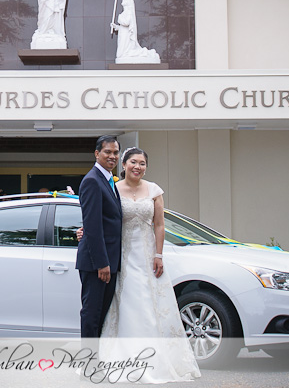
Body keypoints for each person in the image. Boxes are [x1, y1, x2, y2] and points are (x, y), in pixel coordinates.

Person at [81, 148, 201, 383]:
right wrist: (84, 232)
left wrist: (159, 254)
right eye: (133, 162)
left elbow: (159, 225)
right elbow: (101, 219)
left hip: (146, 256)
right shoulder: (113, 188)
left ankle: (155, 360)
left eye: (143, 163)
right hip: (121, 257)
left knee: (150, 305)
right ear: (123, 165)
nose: (138, 166)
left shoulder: (154, 190)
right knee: (125, 304)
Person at [76, 135, 123, 340]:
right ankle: (89, 367)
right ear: (97, 154)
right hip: (98, 265)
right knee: (92, 315)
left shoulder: (109, 181)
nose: (112, 156)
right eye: (107, 152)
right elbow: (93, 227)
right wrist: (102, 264)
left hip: (110, 261)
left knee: (102, 315)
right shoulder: (92, 181)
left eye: (115, 152)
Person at [111, 0, 160, 64]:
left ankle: (147, 53)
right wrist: (116, 27)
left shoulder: (129, 12)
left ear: (128, 3)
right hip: (123, 35)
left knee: (121, 54)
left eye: (125, 0)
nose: (123, 0)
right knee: (121, 54)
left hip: (126, 37)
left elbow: (126, 22)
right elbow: (124, 27)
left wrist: (119, 18)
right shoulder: (125, 13)